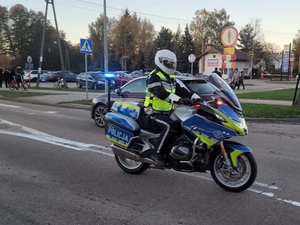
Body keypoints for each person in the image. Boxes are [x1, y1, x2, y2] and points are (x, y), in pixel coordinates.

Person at [143, 49, 200, 167]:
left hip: (167, 112)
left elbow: (182, 90)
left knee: (185, 123)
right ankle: (157, 154)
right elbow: (160, 92)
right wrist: (179, 100)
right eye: (168, 63)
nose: (171, 65)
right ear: (160, 62)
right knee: (170, 126)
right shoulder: (153, 76)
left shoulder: (171, 77)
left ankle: (177, 154)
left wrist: (197, 98)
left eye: (172, 63)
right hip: (153, 113)